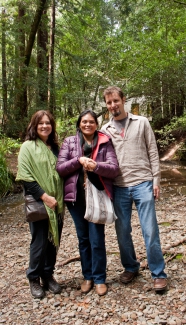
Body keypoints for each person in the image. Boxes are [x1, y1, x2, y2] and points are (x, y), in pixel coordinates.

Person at [102, 86, 168, 291]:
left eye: (116, 101)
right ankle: (131, 267)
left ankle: (158, 273)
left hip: (143, 183)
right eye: (109, 102)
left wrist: (156, 180)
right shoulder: (105, 130)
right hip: (119, 187)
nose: (113, 105)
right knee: (122, 232)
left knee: (150, 230)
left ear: (123, 100)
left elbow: (153, 151)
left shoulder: (142, 122)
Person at [56, 109, 119, 296]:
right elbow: (60, 168)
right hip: (75, 199)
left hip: (98, 197)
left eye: (91, 122)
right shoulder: (69, 142)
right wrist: (78, 160)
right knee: (83, 240)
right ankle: (87, 276)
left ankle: (100, 278)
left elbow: (114, 169)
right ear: (79, 124)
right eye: (84, 121)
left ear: (96, 124)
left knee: (97, 239)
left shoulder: (105, 141)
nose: (87, 124)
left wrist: (96, 166)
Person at [16, 110, 64, 299]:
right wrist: (45, 197)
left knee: (53, 242)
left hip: (57, 204)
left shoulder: (55, 147)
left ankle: (47, 275)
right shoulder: (27, 147)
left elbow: (62, 171)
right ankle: (34, 277)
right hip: (39, 202)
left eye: (48, 123)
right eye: (41, 123)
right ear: (34, 126)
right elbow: (26, 178)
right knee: (39, 242)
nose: (45, 126)